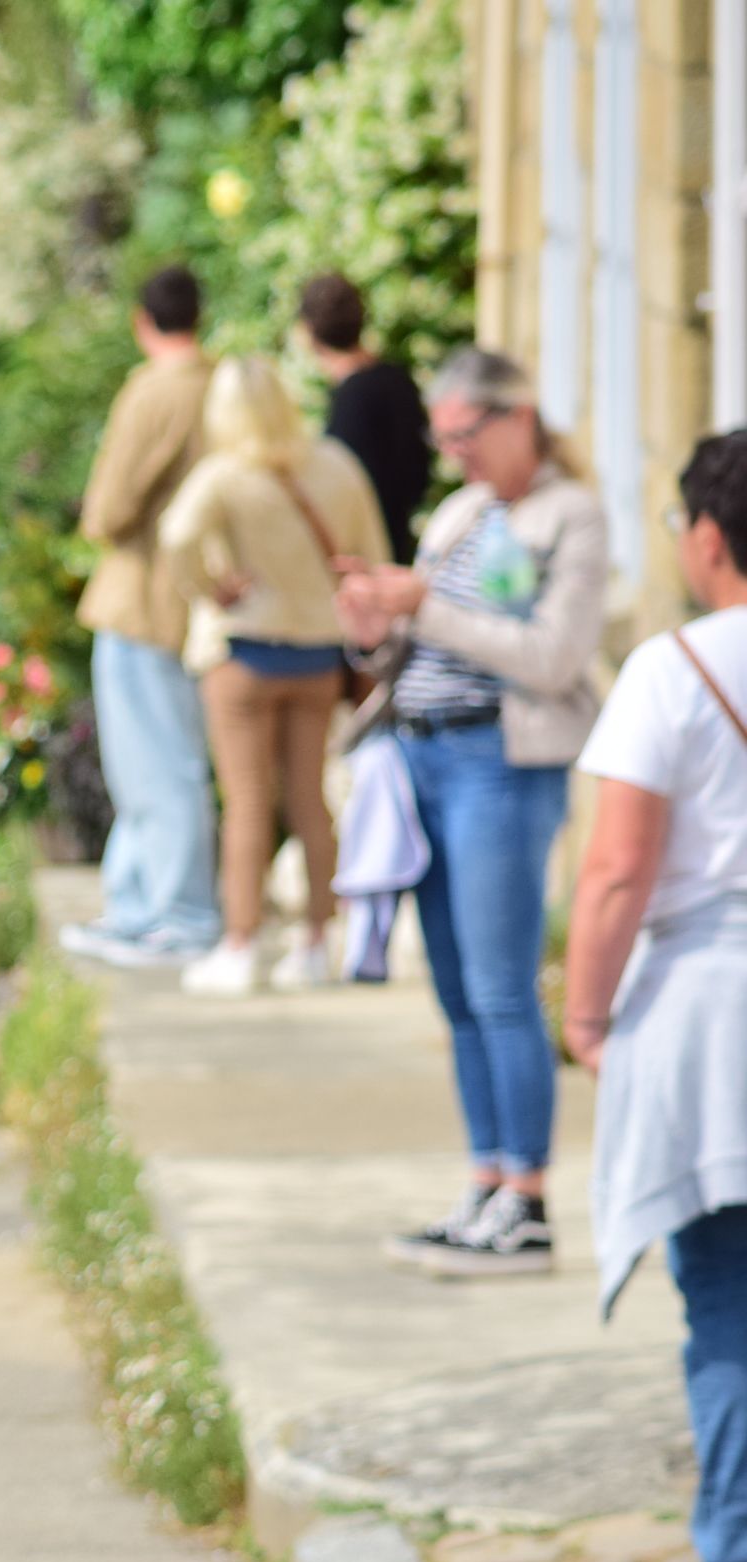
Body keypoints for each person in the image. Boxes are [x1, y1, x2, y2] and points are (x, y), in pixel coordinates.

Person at [338, 347, 606, 1277]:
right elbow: (416, 647)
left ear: (516, 416)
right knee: (453, 991)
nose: (456, 454)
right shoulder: (460, 513)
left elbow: (553, 660)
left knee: (500, 987)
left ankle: (527, 1202)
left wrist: (424, 607)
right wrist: (373, 626)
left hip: (501, 763)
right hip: (423, 757)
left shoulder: (570, 515)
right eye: (443, 438)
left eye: (467, 434)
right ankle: (485, 1182)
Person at [565, 432, 747, 1562]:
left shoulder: (671, 668)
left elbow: (617, 868)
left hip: (710, 1008)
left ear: (706, 535)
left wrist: (584, 1014)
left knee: (728, 1294)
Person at [158, 356, 389, 996]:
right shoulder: (336, 465)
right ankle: (316, 942)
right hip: (316, 656)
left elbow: (175, 536)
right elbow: (372, 556)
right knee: (311, 799)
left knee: (248, 804)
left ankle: (241, 945)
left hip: (245, 653)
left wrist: (211, 589)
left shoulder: (224, 474)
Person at [60, 265, 221, 970]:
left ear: (141, 320)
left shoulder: (155, 390)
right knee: (160, 761)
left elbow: (108, 510)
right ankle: (135, 908)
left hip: (143, 601)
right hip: (196, 601)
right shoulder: (222, 385)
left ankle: (177, 915)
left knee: (154, 765)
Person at [299, 272, 433, 567]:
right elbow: (419, 474)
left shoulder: (351, 399)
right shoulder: (398, 380)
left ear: (308, 331)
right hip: (399, 542)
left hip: (365, 557)